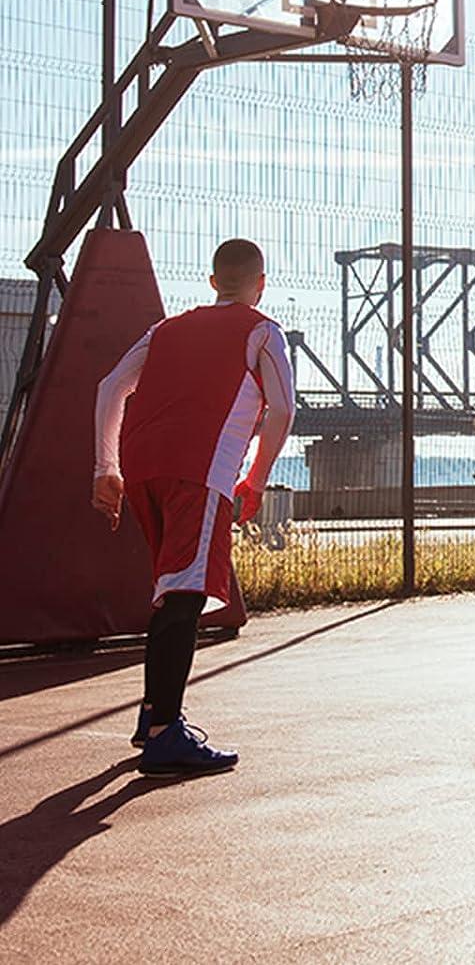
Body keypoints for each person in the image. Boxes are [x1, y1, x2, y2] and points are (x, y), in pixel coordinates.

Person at [92, 238, 295, 775]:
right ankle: (165, 736)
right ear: (261, 284)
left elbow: (111, 387)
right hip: (199, 470)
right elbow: (282, 410)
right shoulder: (262, 331)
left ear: (212, 282)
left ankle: (152, 714)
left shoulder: (166, 329)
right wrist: (256, 478)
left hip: (142, 468)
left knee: (169, 591)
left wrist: (105, 468)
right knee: (183, 596)